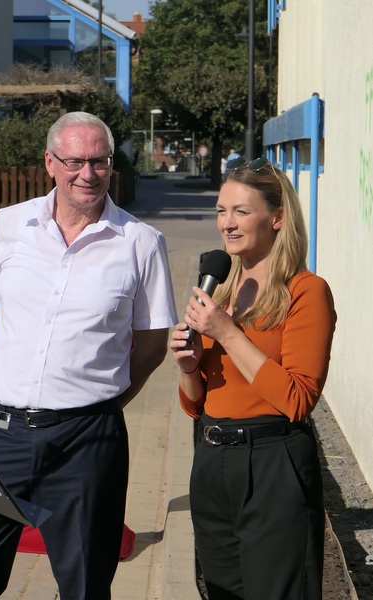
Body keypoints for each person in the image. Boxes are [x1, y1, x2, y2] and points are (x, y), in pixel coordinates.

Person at [0, 111, 177, 600]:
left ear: (111, 165)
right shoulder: (10, 224)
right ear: (50, 163)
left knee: (84, 585)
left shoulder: (140, 242)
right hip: (1, 432)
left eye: (99, 161)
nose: (88, 173)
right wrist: (28, 371)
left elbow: (154, 342)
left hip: (86, 442)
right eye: (75, 161)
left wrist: (102, 398)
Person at [169, 156, 337, 599]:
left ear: (277, 217)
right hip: (212, 462)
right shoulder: (220, 286)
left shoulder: (306, 291)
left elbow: (298, 399)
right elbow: (196, 401)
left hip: (271, 464)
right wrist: (188, 366)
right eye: (222, 211)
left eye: (241, 211)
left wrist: (225, 332)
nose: (227, 223)